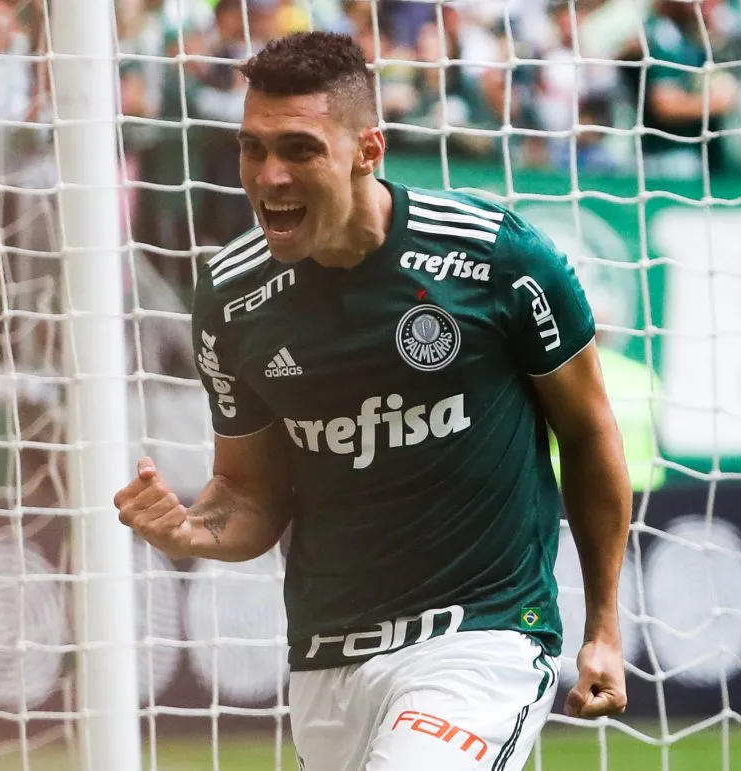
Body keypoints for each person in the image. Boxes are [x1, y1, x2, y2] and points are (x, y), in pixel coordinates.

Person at [114, 30, 631, 771]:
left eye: (299, 148)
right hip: (328, 661)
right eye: (252, 148)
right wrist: (194, 530)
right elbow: (251, 492)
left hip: (479, 640)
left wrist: (604, 626)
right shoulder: (231, 297)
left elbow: (587, 432)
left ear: (368, 150)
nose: (269, 176)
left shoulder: (494, 258)